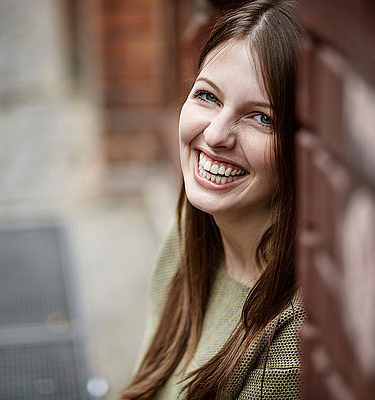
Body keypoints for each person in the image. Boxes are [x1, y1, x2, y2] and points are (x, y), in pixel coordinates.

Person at [120, 1, 305, 399]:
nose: (217, 134)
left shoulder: (289, 340)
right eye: (208, 97)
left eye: (262, 118)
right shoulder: (190, 230)